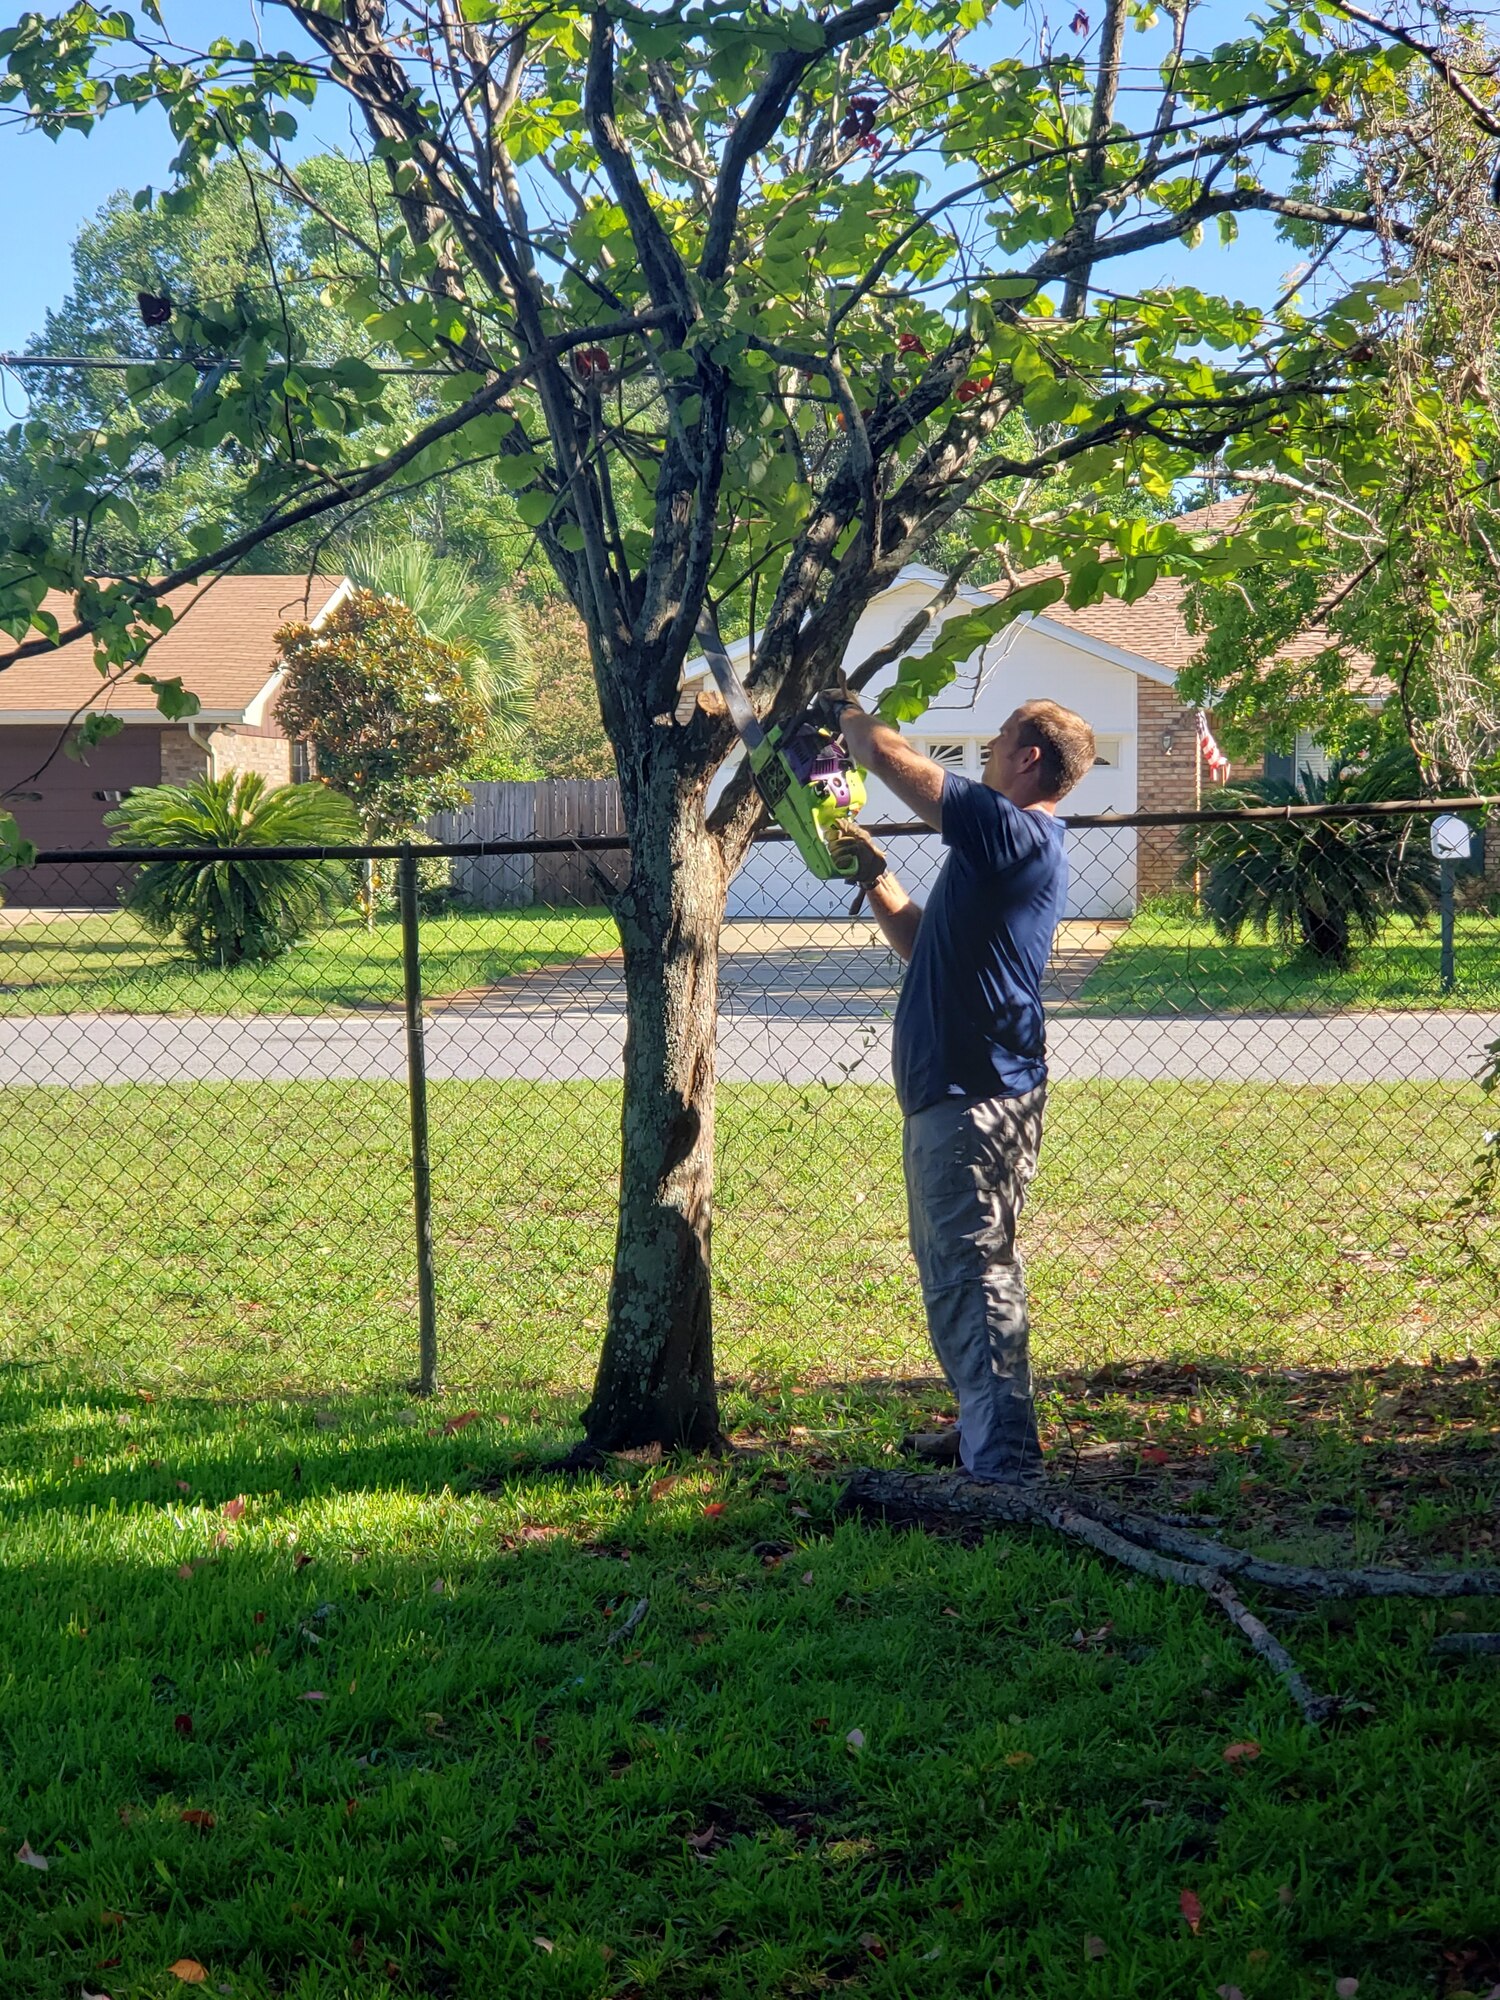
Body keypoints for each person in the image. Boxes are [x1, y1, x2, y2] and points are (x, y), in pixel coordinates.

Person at [830, 697, 1097, 1486]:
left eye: (1001, 737)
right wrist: (876, 876)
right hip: (961, 1091)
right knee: (958, 1269)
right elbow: (922, 942)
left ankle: (1004, 1465)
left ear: (1030, 759)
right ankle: (986, 1424)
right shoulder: (998, 850)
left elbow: (883, 757)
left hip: (972, 1096)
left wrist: (844, 713)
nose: (986, 746)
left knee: (970, 1277)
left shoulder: (1009, 829)